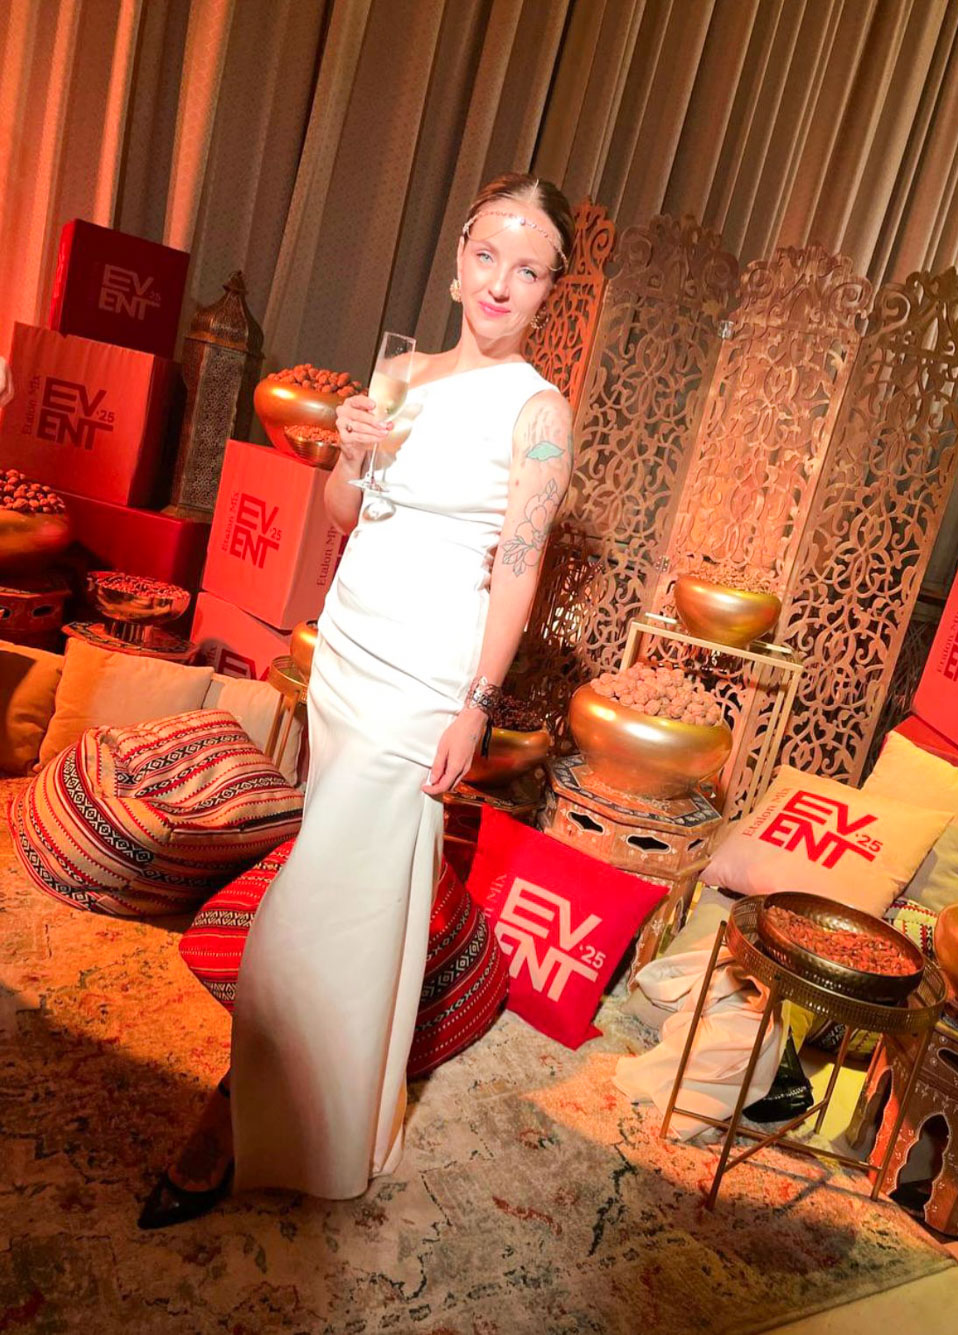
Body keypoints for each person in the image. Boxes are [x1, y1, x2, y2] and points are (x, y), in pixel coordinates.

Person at [139, 173, 576, 1227]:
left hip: (423, 678)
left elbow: (517, 571)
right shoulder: (403, 373)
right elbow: (345, 510)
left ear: (548, 291)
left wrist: (476, 704)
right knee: (357, 892)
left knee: (315, 892)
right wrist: (350, 448)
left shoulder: (539, 413)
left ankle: (237, 1111)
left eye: (527, 270)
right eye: (487, 255)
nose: (499, 283)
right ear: (457, 258)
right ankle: (324, 1116)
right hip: (347, 650)